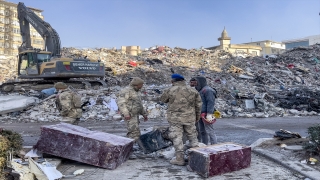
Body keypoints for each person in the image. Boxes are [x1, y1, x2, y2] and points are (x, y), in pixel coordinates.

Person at [160, 74, 202, 166]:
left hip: (175, 119)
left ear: (173, 81)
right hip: (190, 118)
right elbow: (198, 105)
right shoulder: (193, 90)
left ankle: (179, 159)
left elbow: (163, 100)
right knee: (193, 137)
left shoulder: (170, 90)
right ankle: (198, 159)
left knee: (177, 137)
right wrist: (197, 117)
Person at [117, 77, 148, 141]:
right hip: (129, 115)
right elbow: (121, 103)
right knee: (134, 132)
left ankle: (132, 145)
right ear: (137, 85)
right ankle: (131, 146)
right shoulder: (126, 91)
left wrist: (144, 114)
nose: (142, 86)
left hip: (135, 115)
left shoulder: (137, 91)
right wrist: (126, 114)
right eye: (141, 85)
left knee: (135, 131)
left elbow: (139, 104)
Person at [190, 76, 217, 145]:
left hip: (206, 113)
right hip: (200, 114)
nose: (195, 84)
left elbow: (210, 102)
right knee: (202, 131)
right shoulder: (200, 90)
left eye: (196, 82)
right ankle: (204, 145)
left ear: (200, 82)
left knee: (210, 131)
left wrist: (209, 114)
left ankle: (214, 145)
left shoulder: (208, 90)